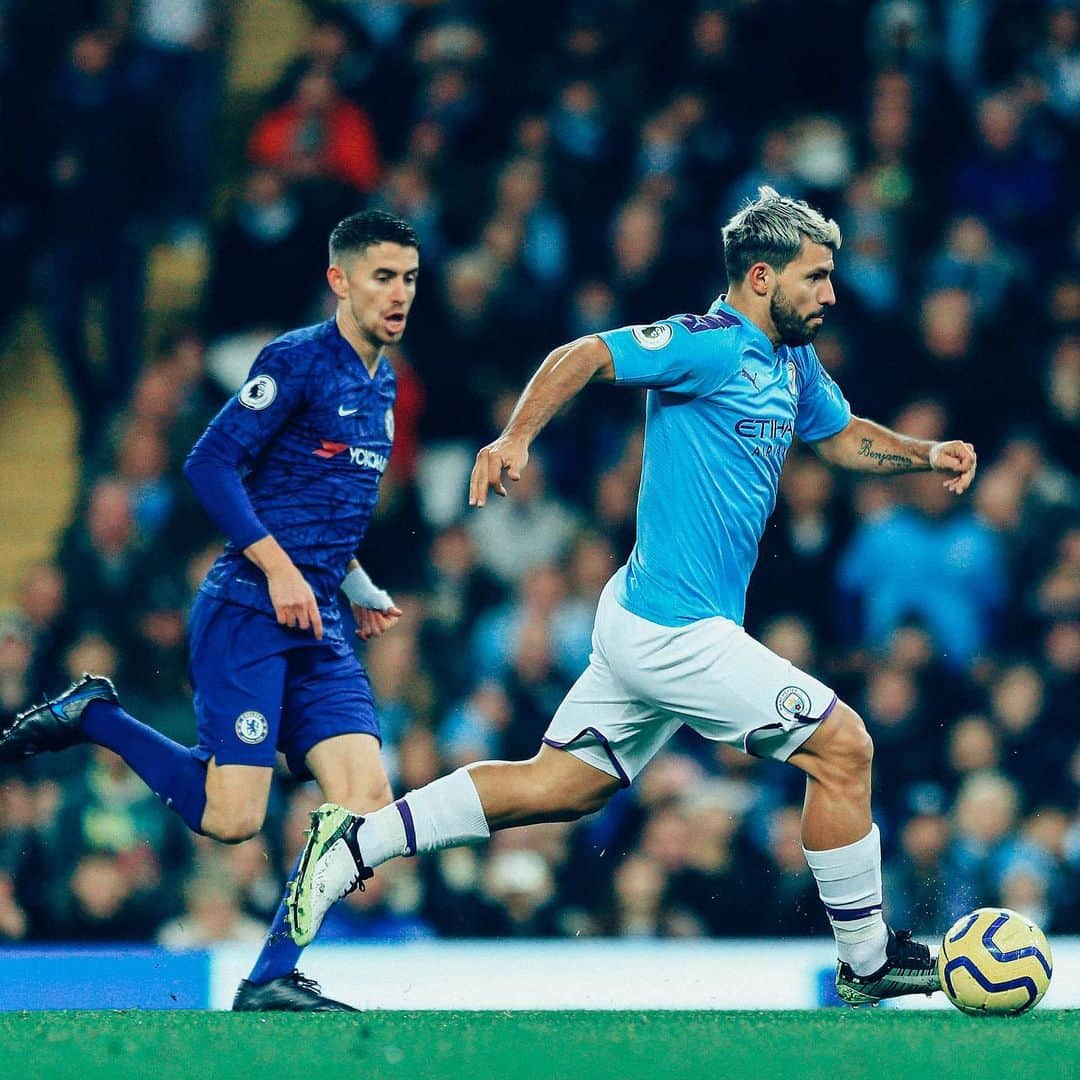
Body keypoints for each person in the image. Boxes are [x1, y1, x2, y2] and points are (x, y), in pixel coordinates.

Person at [286, 188, 979, 1005]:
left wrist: (926, 453)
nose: (831, 294)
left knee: (561, 785)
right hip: (673, 631)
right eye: (817, 277)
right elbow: (582, 354)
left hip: (650, 616)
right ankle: (865, 960)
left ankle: (359, 843)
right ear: (761, 277)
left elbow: (844, 436)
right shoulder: (705, 344)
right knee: (845, 747)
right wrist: (516, 436)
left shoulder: (791, 360)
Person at [1, 209, 419, 1011]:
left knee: (364, 797)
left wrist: (354, 584)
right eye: (382, 276)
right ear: (340, 280)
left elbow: (316, 503)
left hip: (320, 618)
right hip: (250, 610)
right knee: (233, 819)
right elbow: (212, 462)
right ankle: (98, 717)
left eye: (407, 278)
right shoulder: (296, 361)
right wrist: (281, 571)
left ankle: (271, 975)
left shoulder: (386, 382)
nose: (398, 294)